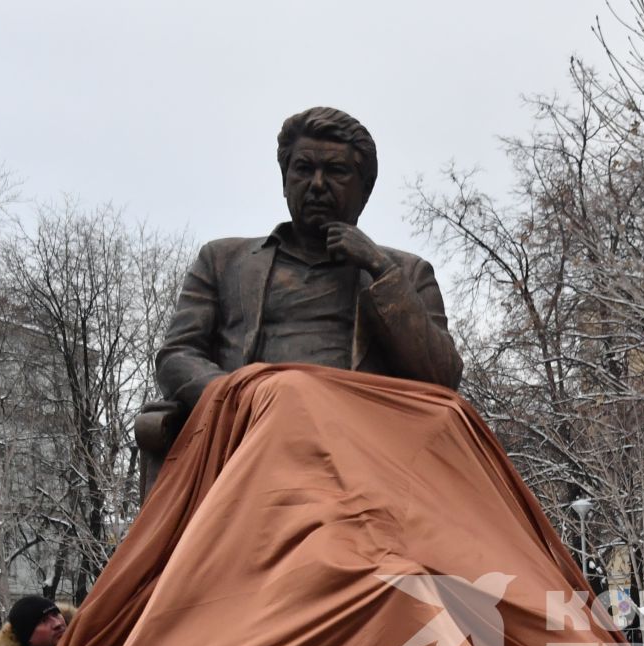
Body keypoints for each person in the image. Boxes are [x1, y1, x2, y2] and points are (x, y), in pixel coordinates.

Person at [136, 107, 464, 490]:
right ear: (285, 180)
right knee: (288, 391)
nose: (318, 184)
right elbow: (177, 356)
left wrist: (380, 270)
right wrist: (240, 398)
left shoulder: (404, 273)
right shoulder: (224, 262)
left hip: (364, 446)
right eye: (303, 169)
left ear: (365, 189)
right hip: (246, 436)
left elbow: (443, 378)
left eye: (337, 172)